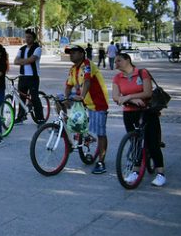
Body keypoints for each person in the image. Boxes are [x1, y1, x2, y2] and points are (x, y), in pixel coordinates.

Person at [112, 53, 166, 187]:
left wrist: (128, 96)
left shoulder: (142, 73)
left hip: (147, 112)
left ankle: (160, 173)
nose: (116, 63)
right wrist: (131, 99)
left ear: (127, 60)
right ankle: (135, 171)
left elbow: (147, 92)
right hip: (129, 113)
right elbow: (115, 97)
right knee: (135, 142)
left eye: (118, 60)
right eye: (115, 61)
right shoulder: (117, 78)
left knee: (153, 142)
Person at [64, 45, 110, 174]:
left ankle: (101, 161)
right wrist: (66, 98)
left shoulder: (87, 64)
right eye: (69, 53)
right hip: (82, 101)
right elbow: (68, 86)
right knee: (59, 99)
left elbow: (87, 81)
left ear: (82, 53)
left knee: (100, 133)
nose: (71, 55)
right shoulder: (73, 69)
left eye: (73, 52)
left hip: (97, 102)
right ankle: (71, 130)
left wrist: (81, 96)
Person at [13, 29, 45, 124]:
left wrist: (21, 61)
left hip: (33, 77)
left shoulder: (37, 48)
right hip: (22, 76)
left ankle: (40, 119)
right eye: (26, 37)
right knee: (21, 98)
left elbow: (32, 60)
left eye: (29, 37)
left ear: (34, 38)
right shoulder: (22, 49)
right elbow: (15, 61)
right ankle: (21, 117)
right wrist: (24, 61)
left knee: (34, 98)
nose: (27, 39)